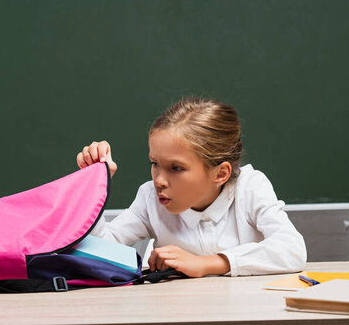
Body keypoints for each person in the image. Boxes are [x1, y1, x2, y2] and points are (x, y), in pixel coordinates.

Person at [77, 96, 306, 277]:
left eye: (175, 168)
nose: (159, 180)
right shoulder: (150, 198)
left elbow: (292, 250)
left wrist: (209, 263)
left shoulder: (250, 188)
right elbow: (98, 252)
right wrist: (94, 182)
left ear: (221, 173)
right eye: (155, 164)